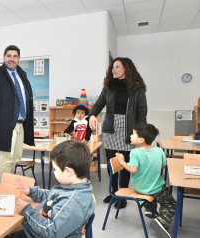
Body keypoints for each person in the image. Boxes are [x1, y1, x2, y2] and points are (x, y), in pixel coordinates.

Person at [88, 57, 147, 208]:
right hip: (111, 129)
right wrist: (93, 115)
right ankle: (114, 191)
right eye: (112, 67)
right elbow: (99, 104)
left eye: (117, 67)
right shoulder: (109, 87)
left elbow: (141, 113)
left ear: (126, 68)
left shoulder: (137, 88)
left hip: (129, 129)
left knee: (125, 163)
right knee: (111, 163)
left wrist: (140, 133)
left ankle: (123, 194)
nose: (113, 70)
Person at [14, 140, 95, 238]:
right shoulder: (72, 187)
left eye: (55, 169)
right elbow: (52, 197)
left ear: (68, 172)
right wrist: (31, 192)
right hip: (35, 228)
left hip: (40, 233)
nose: (54, 172)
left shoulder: (72, 203)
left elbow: (50, 232)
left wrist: (27, 210)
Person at [0, 45, 34, 182]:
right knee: (5, 159)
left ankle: (9, 188)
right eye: (8, 56)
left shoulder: (21, 74)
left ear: (19, 58)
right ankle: (3, 191)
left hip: (20, 124)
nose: (12, 59)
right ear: (4, 57)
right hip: (3, 125)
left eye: (15, 56)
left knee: (15, 158)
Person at [116, 123, 175, 238]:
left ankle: (150, 208)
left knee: (155, 188)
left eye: (133, 134)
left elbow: (133, 170)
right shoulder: (159, 151)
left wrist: (122, 161)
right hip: (154, 189)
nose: (130, 136)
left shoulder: (135, 152)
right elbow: (163, 166)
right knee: (171, 204)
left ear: (141, 139)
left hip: (140, 187)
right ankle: (161, 221)